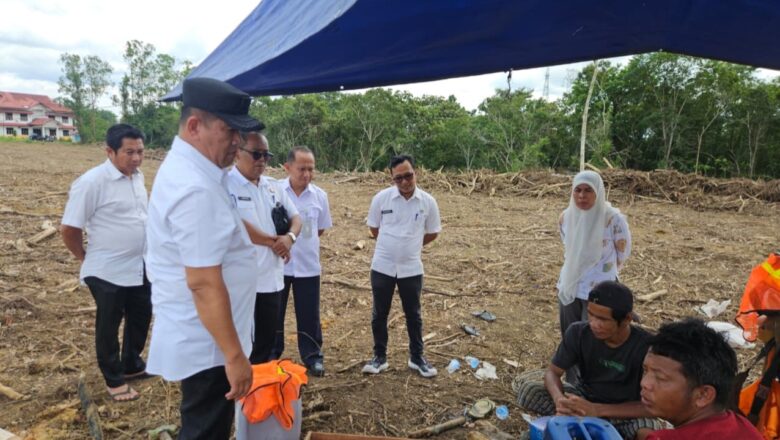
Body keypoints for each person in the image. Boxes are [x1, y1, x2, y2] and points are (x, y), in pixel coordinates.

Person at [144, 77, 265, 439]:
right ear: (195, 126)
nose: (237, 143)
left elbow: (222, 232)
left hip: (208, 333)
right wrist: (234, 356)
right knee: (205, 430)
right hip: (209, 342)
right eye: (230, 131)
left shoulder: (201, 172)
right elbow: (202, 282)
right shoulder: (194, 187)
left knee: (205, 424)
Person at [60, 123, 151, 402]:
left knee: (141, 315)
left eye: (140, 152)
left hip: (139, 264)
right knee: (109, 324)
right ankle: (114, 379)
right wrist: (84, 258)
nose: (136, 158)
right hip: (107, 269)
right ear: (109, 151)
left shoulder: (138, 177)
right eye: (129, 152)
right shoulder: (91, 182)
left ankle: (132, 365)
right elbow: (70, 228)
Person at [515, 281, 662, 439]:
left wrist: (598, 410)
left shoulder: (647, 348)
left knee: (649, 432)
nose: (594, 324)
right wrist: (560, 400)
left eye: (603, 319)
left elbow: (652, 407)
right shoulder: (578, 332)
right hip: (583, 401)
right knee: (529, 389)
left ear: (626, 319)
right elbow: (552, 373)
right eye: (591, 314)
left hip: (624, 412)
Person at [362, 155, 441, 378]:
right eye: (399, 178)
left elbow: (433, 232)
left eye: (408, 175)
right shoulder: (381, 199)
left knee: (413, 314)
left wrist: (412, 246)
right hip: (382, 266)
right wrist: (392, 246)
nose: (405, 182)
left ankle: (417, 358)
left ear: (416, 173)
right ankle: (379, 357)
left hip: (411, 268)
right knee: (380, 314)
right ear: (391, 178)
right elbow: (374, 229)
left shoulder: (428, 202)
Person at [226, 131, 302, 365]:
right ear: (237, 152)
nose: (262, 160)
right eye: (256, 154)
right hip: (242, 281)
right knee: (241, 343)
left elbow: (296, 218)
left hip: (272, 278)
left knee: (266, 341)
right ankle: (240, 394)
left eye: (266, 155)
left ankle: (260, 390)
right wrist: (274, 242)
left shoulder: (273, 187)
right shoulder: (226, 185)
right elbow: (237, 225)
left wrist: (289, 238)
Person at [637, 318, 763, 439]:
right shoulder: (743, 426)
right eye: (645, 371)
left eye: (660, 378)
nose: (644, 383)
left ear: (703, 395)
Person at [272, 146, 333, 377]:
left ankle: (312, 356)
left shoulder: (320, 196)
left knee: (309, 314)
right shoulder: (274, 191)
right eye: (301, 169)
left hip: (308, 266)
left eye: (311, 169)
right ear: (287, 167)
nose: (306, 174)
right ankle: (271, 354)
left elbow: (319, 230)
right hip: (278, 266)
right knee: (274, 313)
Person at [557, 170, 631, 337]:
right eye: (578, 190)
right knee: (569, 333)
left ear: (598, 192)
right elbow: (568, 248)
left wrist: (604, 269)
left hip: (599, 285)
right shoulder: (566, 217)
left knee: (591, 334)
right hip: (570, 283)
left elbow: (623, 251)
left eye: (588, 190)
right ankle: (570, 363)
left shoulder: (612, 219)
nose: (582, 195)